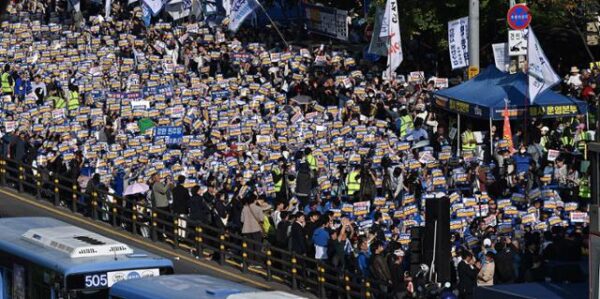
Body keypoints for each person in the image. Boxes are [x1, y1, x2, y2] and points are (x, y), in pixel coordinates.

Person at [240, 194, 264, 267]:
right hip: (256, 229)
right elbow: (261, 219)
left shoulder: (244, 208)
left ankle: (249, 262)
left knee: (249, 246)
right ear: (254, 200)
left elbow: (242, 220)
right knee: (257, 246)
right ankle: (257, 262)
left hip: (246, 229)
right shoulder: (258, 208)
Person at [151, 173, 171, 240]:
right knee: (161, 222)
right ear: (154, 178)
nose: (159, 177)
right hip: (161, 206)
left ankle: (164, 235)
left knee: (166, 221)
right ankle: (160, 236)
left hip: (165, 205)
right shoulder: (156, 184)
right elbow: (163, 190)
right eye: (157, 177)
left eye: (159, 176)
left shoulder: (159, 184)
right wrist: (168, 184)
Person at [171, 175, 190, 240]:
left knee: (178, 223)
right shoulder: (185, 190)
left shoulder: (174, 189)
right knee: (183, 223)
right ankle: (183, 237)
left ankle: (178, 236)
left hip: (176, 208)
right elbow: (188, 199)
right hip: (183, 209)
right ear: (184, 181)